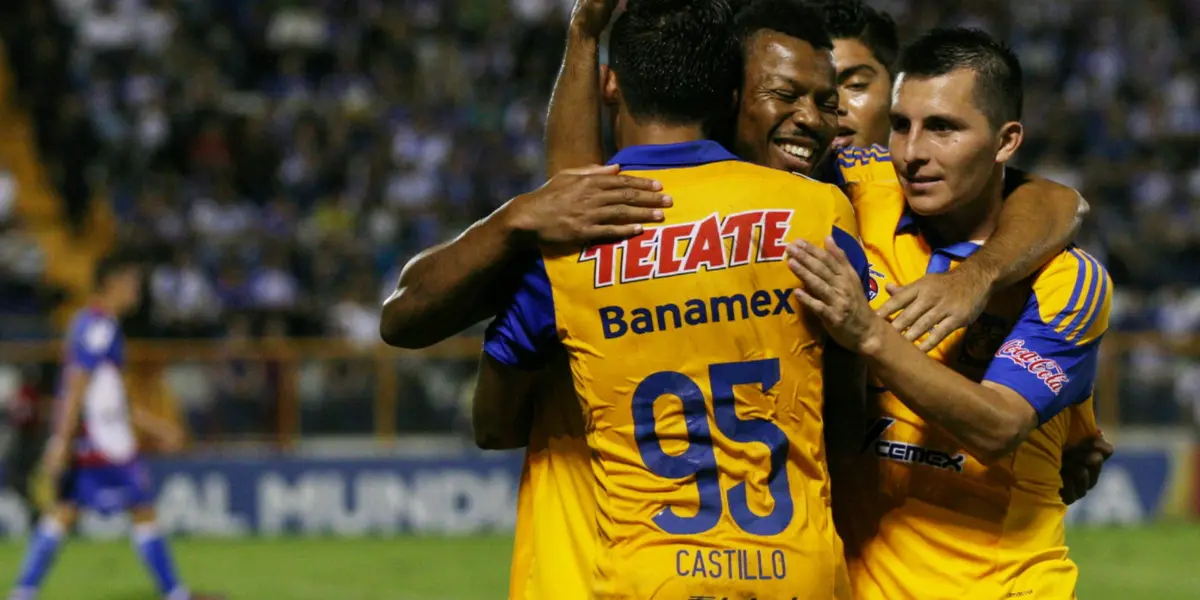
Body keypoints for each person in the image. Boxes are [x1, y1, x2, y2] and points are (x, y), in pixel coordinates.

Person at [476, 0, 864, 597]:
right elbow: (846, 412)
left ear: (612, 85)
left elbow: (494, 423)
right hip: (796, 566)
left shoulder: (573, 241)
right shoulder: (821, 212)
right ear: (730, 95)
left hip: (647, 574)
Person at [787, 28, 1110, 600]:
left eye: (943, 128)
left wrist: (869, 330)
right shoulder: (863, 184)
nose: (911, 153)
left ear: (1006, 141)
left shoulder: (1068, 279)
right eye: (901, 124)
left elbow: (1000, 426)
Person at [9, 252, 221, 600]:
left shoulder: (90, 323)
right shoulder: (98, 326)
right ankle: (175, 593)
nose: (136, 291)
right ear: (114, 284)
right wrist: (61, 440)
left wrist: (157, 428)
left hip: (94, 436)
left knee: (65, 512)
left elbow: (110, 394)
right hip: (103, 441)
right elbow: (77, 382)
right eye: (132, 284)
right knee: (139, 508)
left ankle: (23, 591)